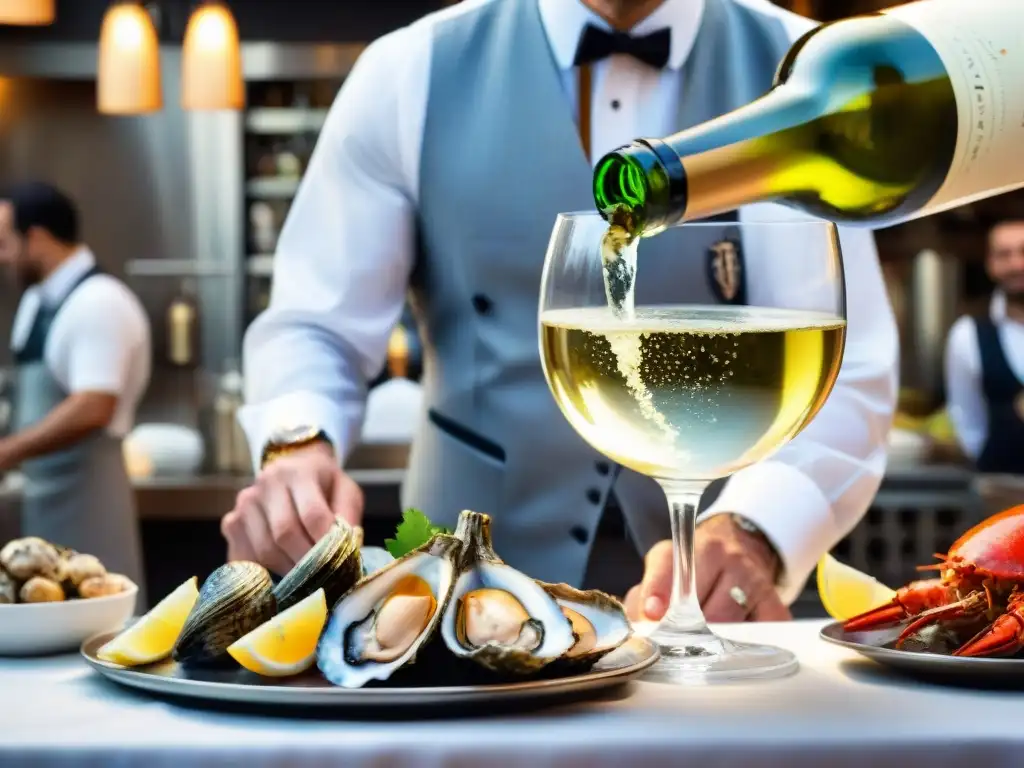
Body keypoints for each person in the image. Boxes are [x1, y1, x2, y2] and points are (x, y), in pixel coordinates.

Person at [227, 0, 898, 623]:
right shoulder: (410, 70)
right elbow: (317, 324)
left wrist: (755, 531)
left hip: (712, 616)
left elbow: (849, 361)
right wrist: (296, 445)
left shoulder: (799, 64)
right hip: (459, 606)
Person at [0, 182, 151, 599]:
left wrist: (8, 451)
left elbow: (93, 407)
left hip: (89, 498)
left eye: (5, 242)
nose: (2, 256)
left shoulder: (100, 301)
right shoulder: (35, 302)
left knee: (101, 613)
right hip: (41, 497)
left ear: (38, 238)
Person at [945, 216, 1024, 475]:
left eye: (1023, 252)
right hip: (1000, 486)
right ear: (990, 264)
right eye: (1004, 255)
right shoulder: (967, 334)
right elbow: (966, 416)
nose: (1016, 264)